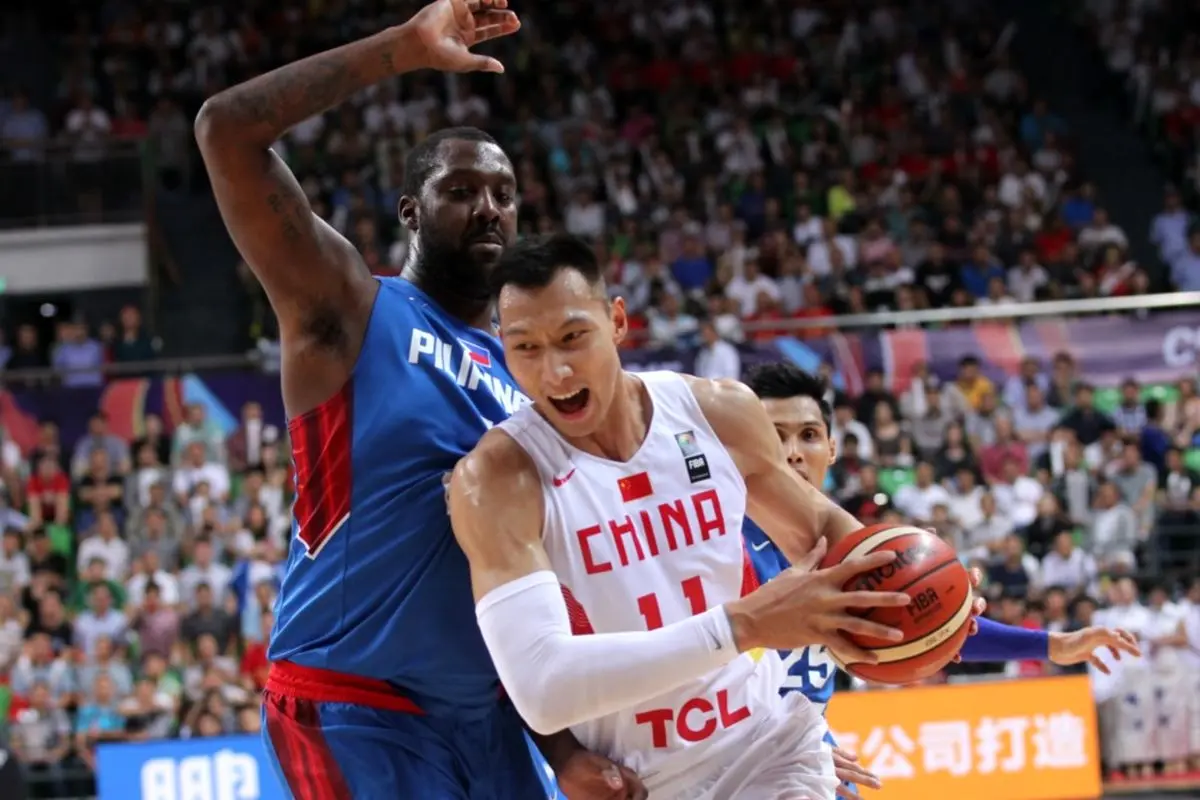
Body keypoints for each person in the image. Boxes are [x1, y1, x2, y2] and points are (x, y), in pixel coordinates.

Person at [195, 1, 641, 797]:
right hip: (355, 703)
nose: (489, 208)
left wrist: (565, 750)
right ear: (411, 212)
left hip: (490, 718)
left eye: (504, 193)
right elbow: (225, 130)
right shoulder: (349, 308)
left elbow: (517, 580)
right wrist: (400, 50)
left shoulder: (534, 378)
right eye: (461, 190)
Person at [448, 233, 943, 800]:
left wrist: (921, 589)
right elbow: (541, 689)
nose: (554, 371)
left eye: (572, 338)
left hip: (767, 746)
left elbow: (824, 533)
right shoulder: (496, 479)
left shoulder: (715, 411)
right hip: (637, 781)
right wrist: (741, 626)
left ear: (617, 321)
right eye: (526, 348)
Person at [741, 361, 1142, 798]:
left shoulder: (856, 551)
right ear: (746, 448)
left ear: (832, 449)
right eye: (775, 436)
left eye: (809, 435)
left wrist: (1050, 644)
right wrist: (767, 742)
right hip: (726, 752)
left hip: (805, 756)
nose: (794, 452)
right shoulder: (722, 544)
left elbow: (929, 629)